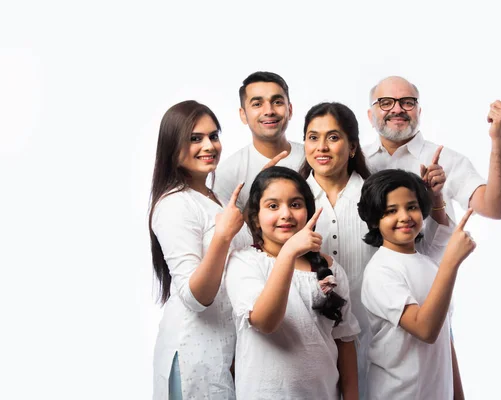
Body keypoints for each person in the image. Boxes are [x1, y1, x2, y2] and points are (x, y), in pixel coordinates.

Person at [298, 101, 453, 398]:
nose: (322, 147)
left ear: (353, 146)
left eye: (333, 137)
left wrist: (436, 200)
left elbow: (427, 254)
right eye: (312, 137)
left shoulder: (379, 202)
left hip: (381, 347)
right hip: (312, 347)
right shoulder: (293, 204)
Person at [225, 166, 361, 400]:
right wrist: (288, 253)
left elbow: (345, 341)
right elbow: (265, 322)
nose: (286, 214)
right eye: (273, 206)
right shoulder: (245, 262)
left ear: (308, 213)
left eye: (295, 204)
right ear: (256, 219)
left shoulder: (331, 269)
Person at [148, 100, 251, 399]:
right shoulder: (174, 205)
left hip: (226, 348)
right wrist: (222, 236)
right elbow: (195, 297)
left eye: (213, 136)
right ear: (172, 146)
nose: (209, 145)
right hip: (195, 351)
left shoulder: (215, 196)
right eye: (195, 138)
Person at [358, 169, 476, 399]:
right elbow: (425, 329)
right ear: (374, 220)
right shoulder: (381, 271)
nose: (404, 217)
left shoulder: (430, 265)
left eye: (411, 207)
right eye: (391, 211)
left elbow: (444, 335)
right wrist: (451, 262)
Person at [365, 76, 501, 221]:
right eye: (385, 103)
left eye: (408, 102)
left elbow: (494, 209)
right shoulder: (354, 161)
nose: (398, 109)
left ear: (418, 112)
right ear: (370, 116)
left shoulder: (447, 160)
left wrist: (499, 138)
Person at [213, 71, 305, 209]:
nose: (269, 111)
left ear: (289, 110)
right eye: (257, 104)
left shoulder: (312, 157)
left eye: (277, 102)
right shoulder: (228, 174)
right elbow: (228, 228)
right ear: (243, 115)